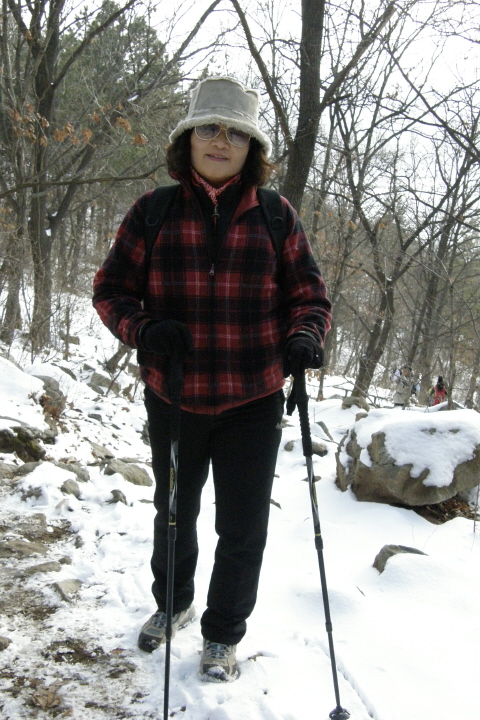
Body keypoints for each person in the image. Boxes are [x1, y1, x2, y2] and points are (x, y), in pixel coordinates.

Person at [92, 76, 331, 682]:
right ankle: (172, 603)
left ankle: (223, 633)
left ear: (252, 148)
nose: (220, 141)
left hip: (253, 398)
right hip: (173, 394)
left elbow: (310, 298)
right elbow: (110, 291)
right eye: (208, 128)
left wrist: (305, 336)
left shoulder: (277, 217)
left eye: (235, 132)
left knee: (242, 524)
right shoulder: (152, 212)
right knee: (174, 512)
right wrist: (143, 330)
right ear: (188, 139)